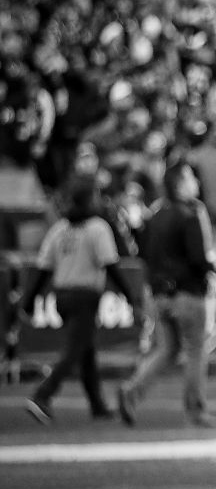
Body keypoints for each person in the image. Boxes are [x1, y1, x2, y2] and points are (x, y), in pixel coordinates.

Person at [19, 176, 140, 424]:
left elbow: (43, 268)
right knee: (74, 351)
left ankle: (97, 405)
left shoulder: (60, 229)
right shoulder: (97, 228)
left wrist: (29, 300)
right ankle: (42, 395)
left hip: (61, 297)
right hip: (85, 296)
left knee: (86, 351)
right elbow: (111, 265)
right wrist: (131, 296)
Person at [117, 163, 216, 427]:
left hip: (160, 294)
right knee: (196, 351)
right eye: (190, 177)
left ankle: (132, 390)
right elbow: (198, 258)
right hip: (188, 294)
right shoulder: (190, 213)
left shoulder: (157, 214)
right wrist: (211, 265)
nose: (195, 181)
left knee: (167, 350)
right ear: (179, 183)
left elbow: (144, 254)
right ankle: (195, 409)